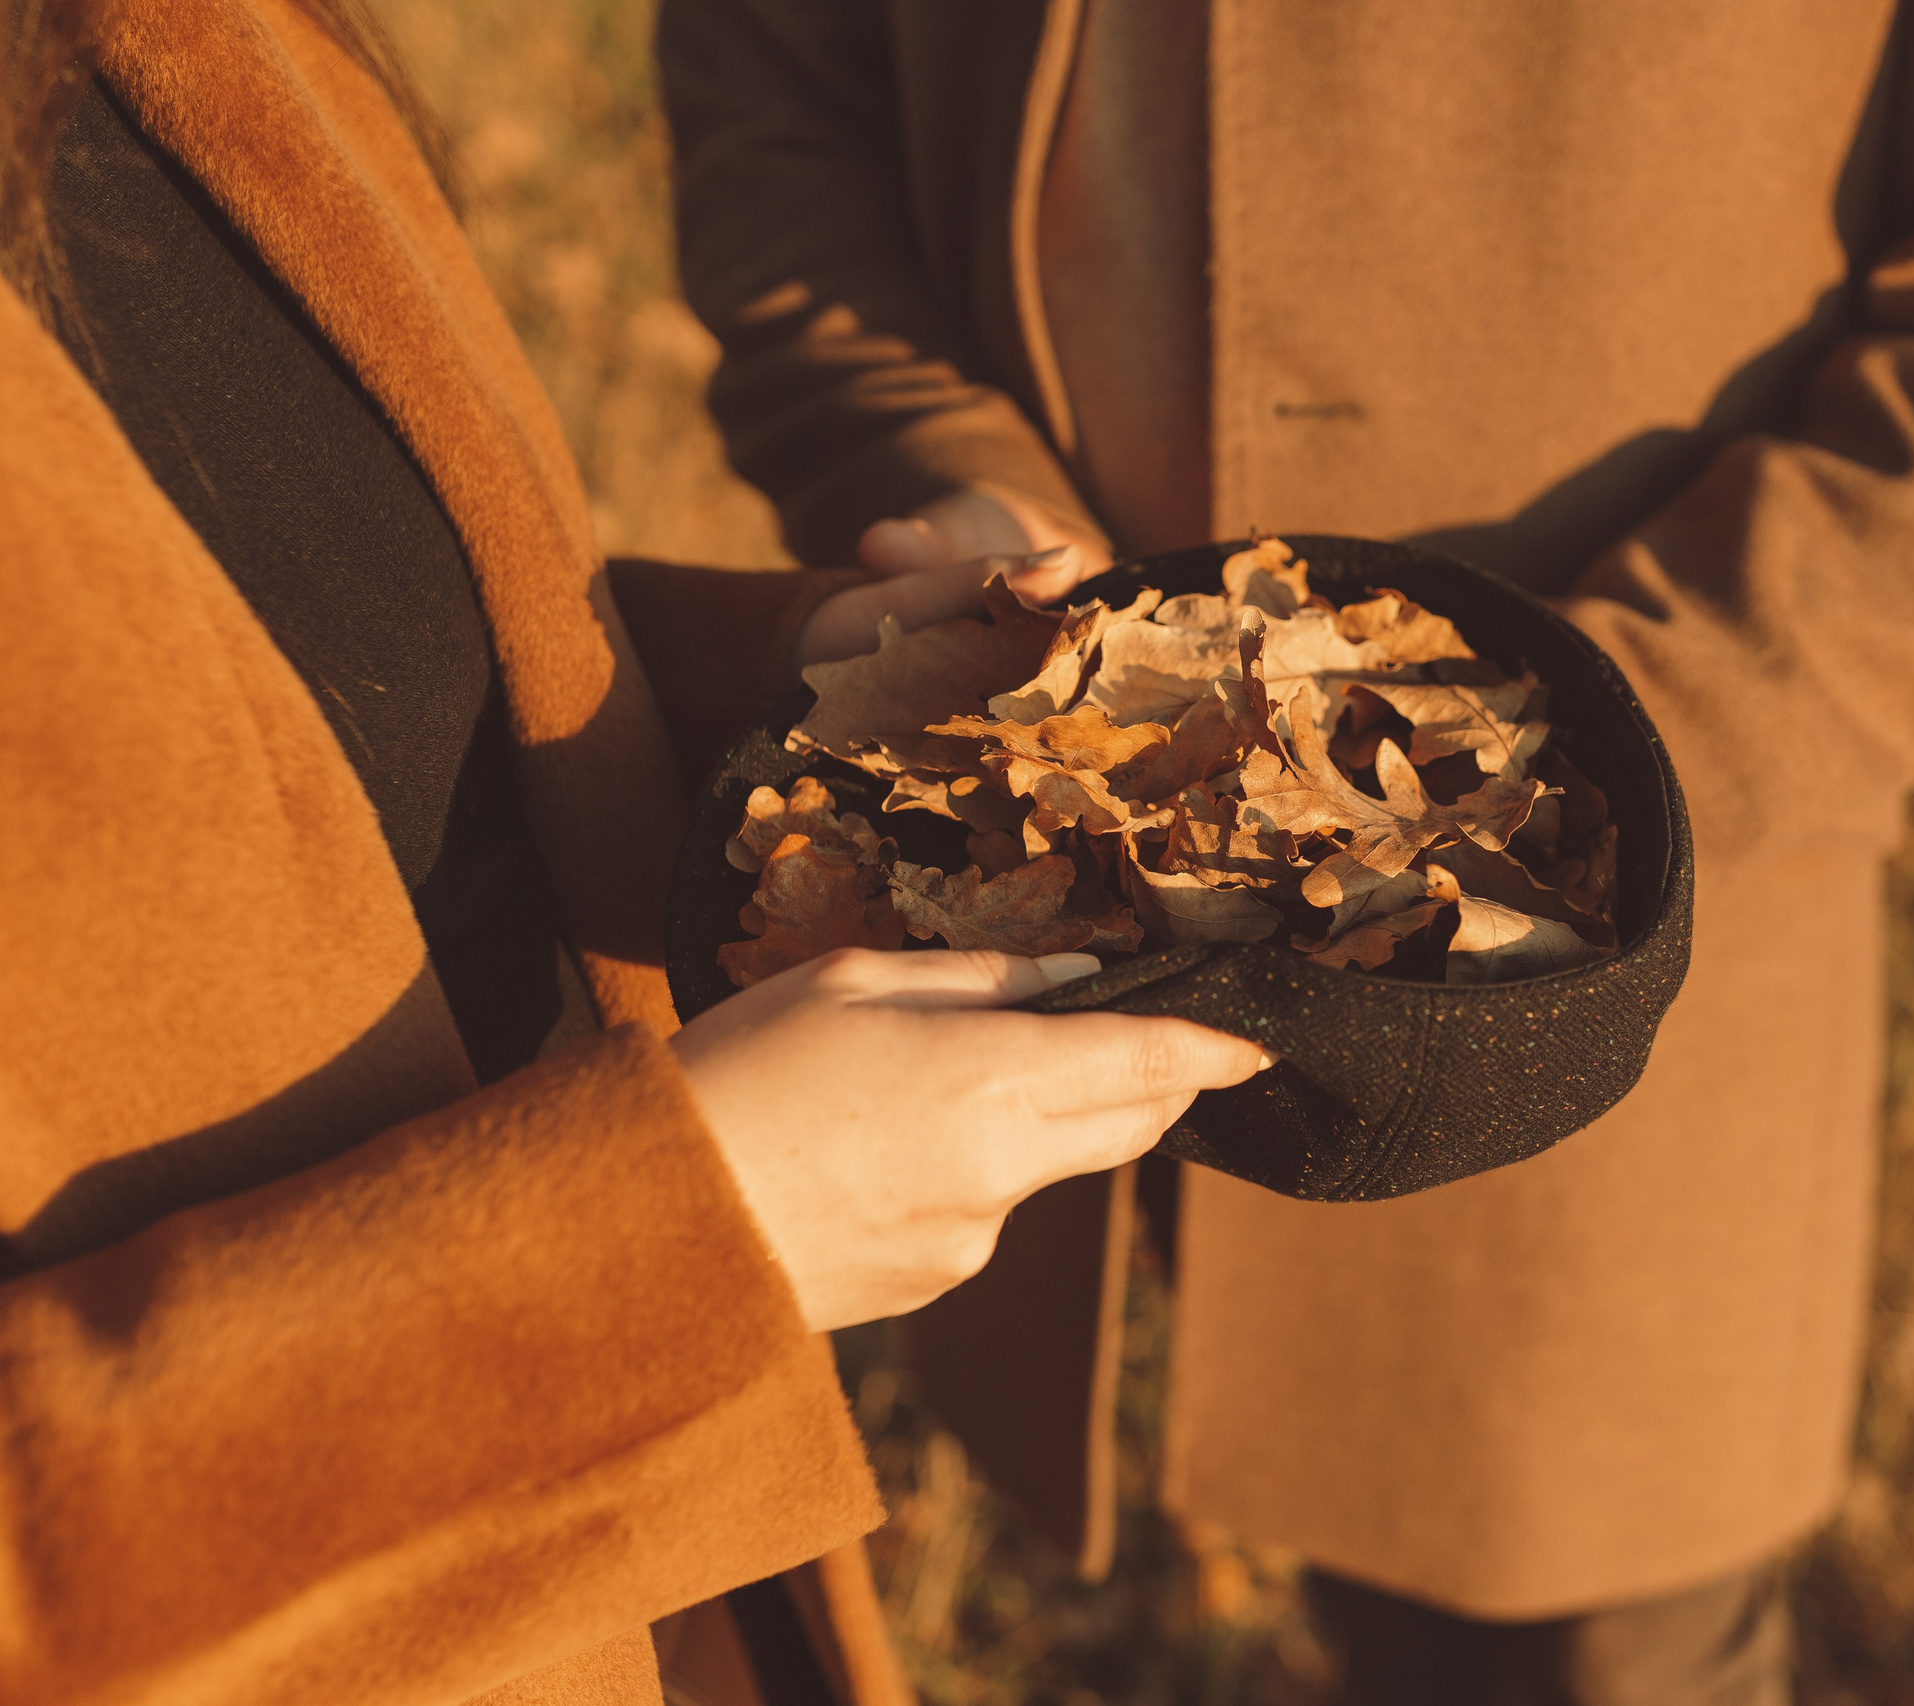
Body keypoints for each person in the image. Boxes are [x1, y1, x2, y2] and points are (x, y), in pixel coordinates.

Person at [657, 2, 1914, 1700]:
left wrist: (1585, 762)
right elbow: (778, 87)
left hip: (1606, 1022)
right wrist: (944, 489)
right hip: (1040, 873)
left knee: (1580, 1645)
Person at [0, 1, 1270, 1702]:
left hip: (637, 1562)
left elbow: (279, 688)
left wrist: (817, 688)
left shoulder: (144, 37)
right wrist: (666, 1249)